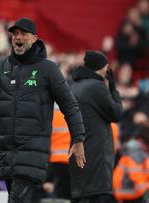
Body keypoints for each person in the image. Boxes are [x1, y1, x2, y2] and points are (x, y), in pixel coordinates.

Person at [0, 17, 86, 203]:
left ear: (34, 38)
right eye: (14, 33)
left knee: (17, 200)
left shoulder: (48, 69)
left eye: (22, 33)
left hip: (32, 150)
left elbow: (69, 104)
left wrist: (78, 138)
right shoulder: (1, 67)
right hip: (5, 150)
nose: (17, 37)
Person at [69, 51, 123, 203]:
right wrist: (113, 89)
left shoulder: (74, 86)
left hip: (79, 152)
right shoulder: (97, 87)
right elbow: (116, 113)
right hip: (96, 156)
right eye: (106, 67)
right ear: (100, 68)